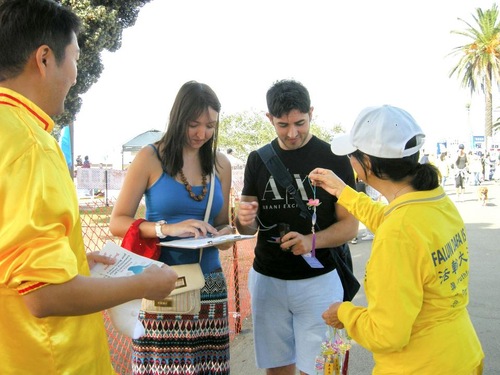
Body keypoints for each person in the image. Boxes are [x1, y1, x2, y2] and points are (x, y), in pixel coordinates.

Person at [0, 1, 178, 374]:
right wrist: (143, 284)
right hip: (49, 359)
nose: (76, 75)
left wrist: (75, 258)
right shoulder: (30, 145)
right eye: (75, 58)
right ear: (45, 59)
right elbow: (44, 293)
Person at [309, 104, 484, 375]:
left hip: (419, 366)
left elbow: (386, 334)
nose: (350, 163)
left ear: (365, 163)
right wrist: (343, 192)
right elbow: (392, 220)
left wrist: (344, 313)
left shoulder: (399, 234)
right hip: (461, 354)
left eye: (352, 156)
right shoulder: (434, 200)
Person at [109, 80, 233, 375]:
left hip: (210, 287)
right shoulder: (150, 157)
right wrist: (168, 229)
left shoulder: (221, 165)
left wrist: (227, 235)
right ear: (178, 118)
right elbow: (118, 222)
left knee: (210, 368)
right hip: (162, 284)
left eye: (210, 126)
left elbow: (222, 227)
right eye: (194, 124)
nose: (202, 134)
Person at [235, 79, 358, 375]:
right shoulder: (258, 159)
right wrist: (242, 218)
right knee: (277, 368)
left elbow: (350, 227)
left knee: (320, 369)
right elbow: (246, 228)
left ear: (311, 113)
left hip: (319, 282)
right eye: (282, 125)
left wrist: (311, 241)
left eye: (300, 123)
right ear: (269, 119)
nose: (292, 133)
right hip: (268, 282)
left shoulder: (335, 159)